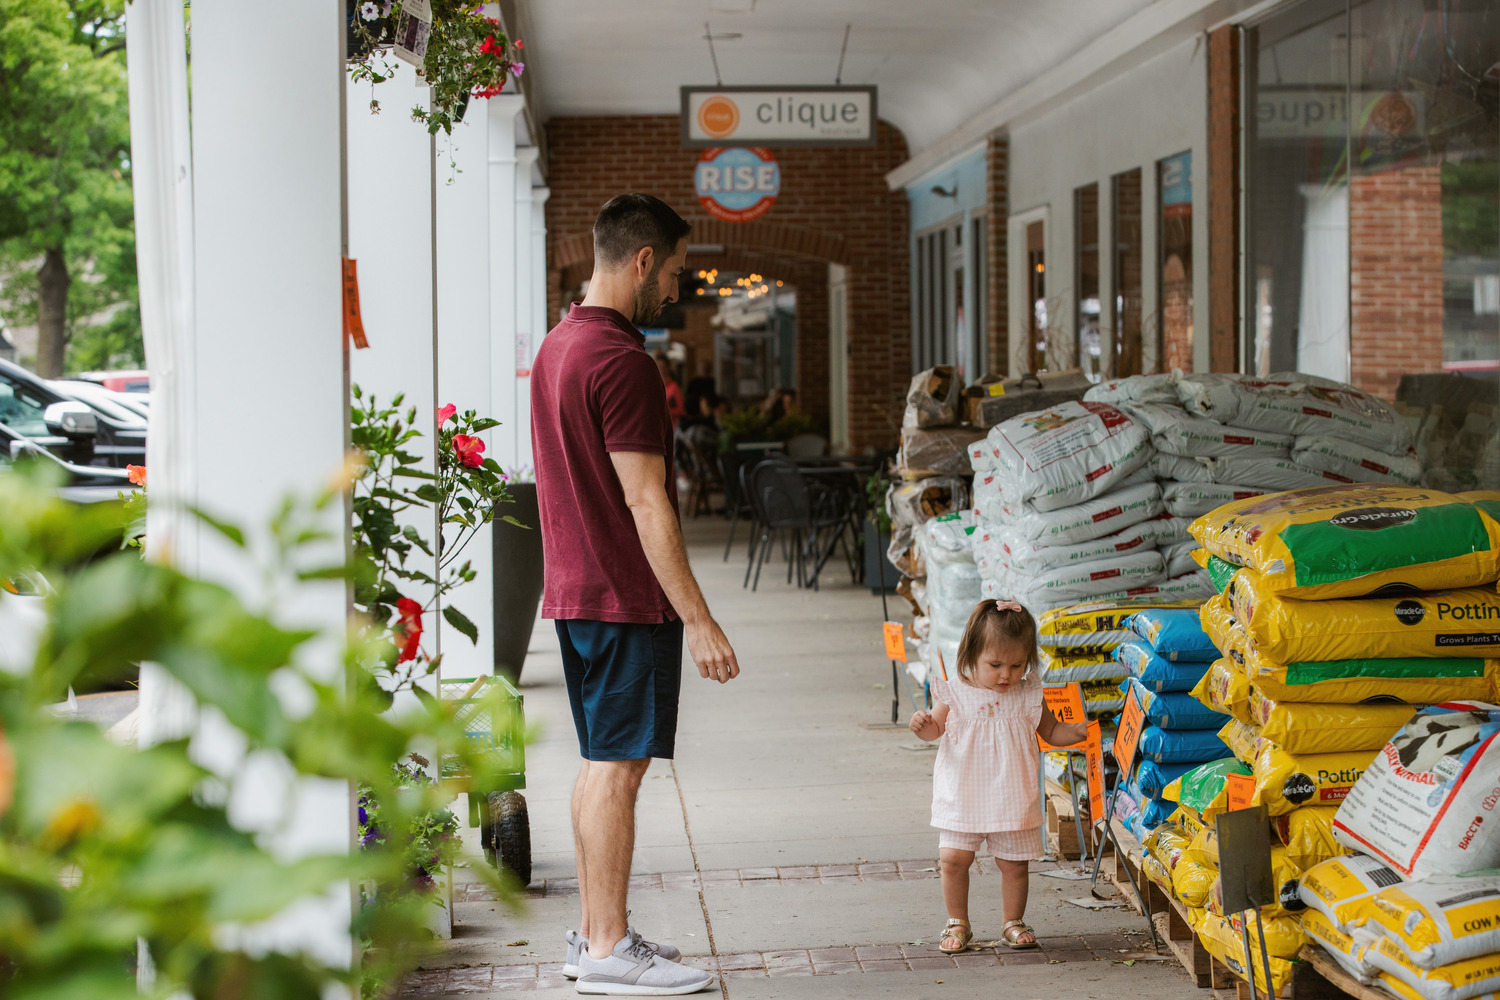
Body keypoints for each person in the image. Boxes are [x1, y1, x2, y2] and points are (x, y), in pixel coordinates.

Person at [531, 193, 741, 996]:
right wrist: (699, 618)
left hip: (577, 594)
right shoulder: (623, 362)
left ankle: (595, 937)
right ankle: (611, 945)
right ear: (644, 260)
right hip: (625, 598)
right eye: (678, 271)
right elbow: (647, 499)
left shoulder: (559, 347)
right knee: (620, 770)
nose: (677, 289)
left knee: (599, 766)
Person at [908, 599, 1087, 954]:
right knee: (953, 859)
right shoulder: (955, 691)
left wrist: (1080, 732)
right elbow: (935, 731)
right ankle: (957, 921)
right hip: (963, 793)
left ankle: (1013, 920)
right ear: (970, 654)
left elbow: (1051, 731)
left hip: (1011, 793)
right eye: (995, 665)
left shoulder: (1029, 692)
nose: (1006, 674)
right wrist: (924, 726)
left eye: (1016, 665)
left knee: (1014, 864)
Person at [655, 353, 686, 428]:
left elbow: (681, 410)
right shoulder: (653, 386)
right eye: (659, 366)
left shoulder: (674, 387)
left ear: (668, 368)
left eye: (663, 366)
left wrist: (666, 411)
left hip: (671, 427)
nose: (661, 369)